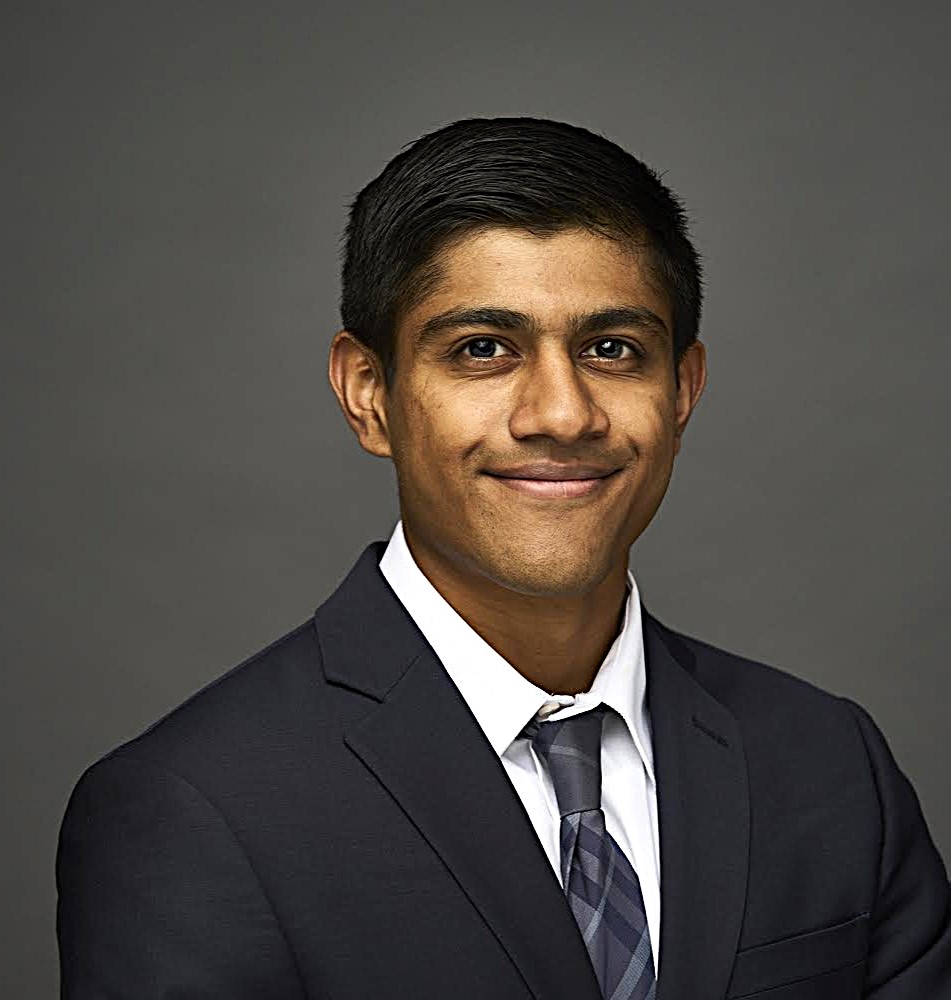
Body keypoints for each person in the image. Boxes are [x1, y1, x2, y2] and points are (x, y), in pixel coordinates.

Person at [56, 116, 951, 999]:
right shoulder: (192, 808)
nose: (561, 414)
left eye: (612, 349)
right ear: (368, 394)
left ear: (681, 391)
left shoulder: (830, 765)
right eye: (483, 350)